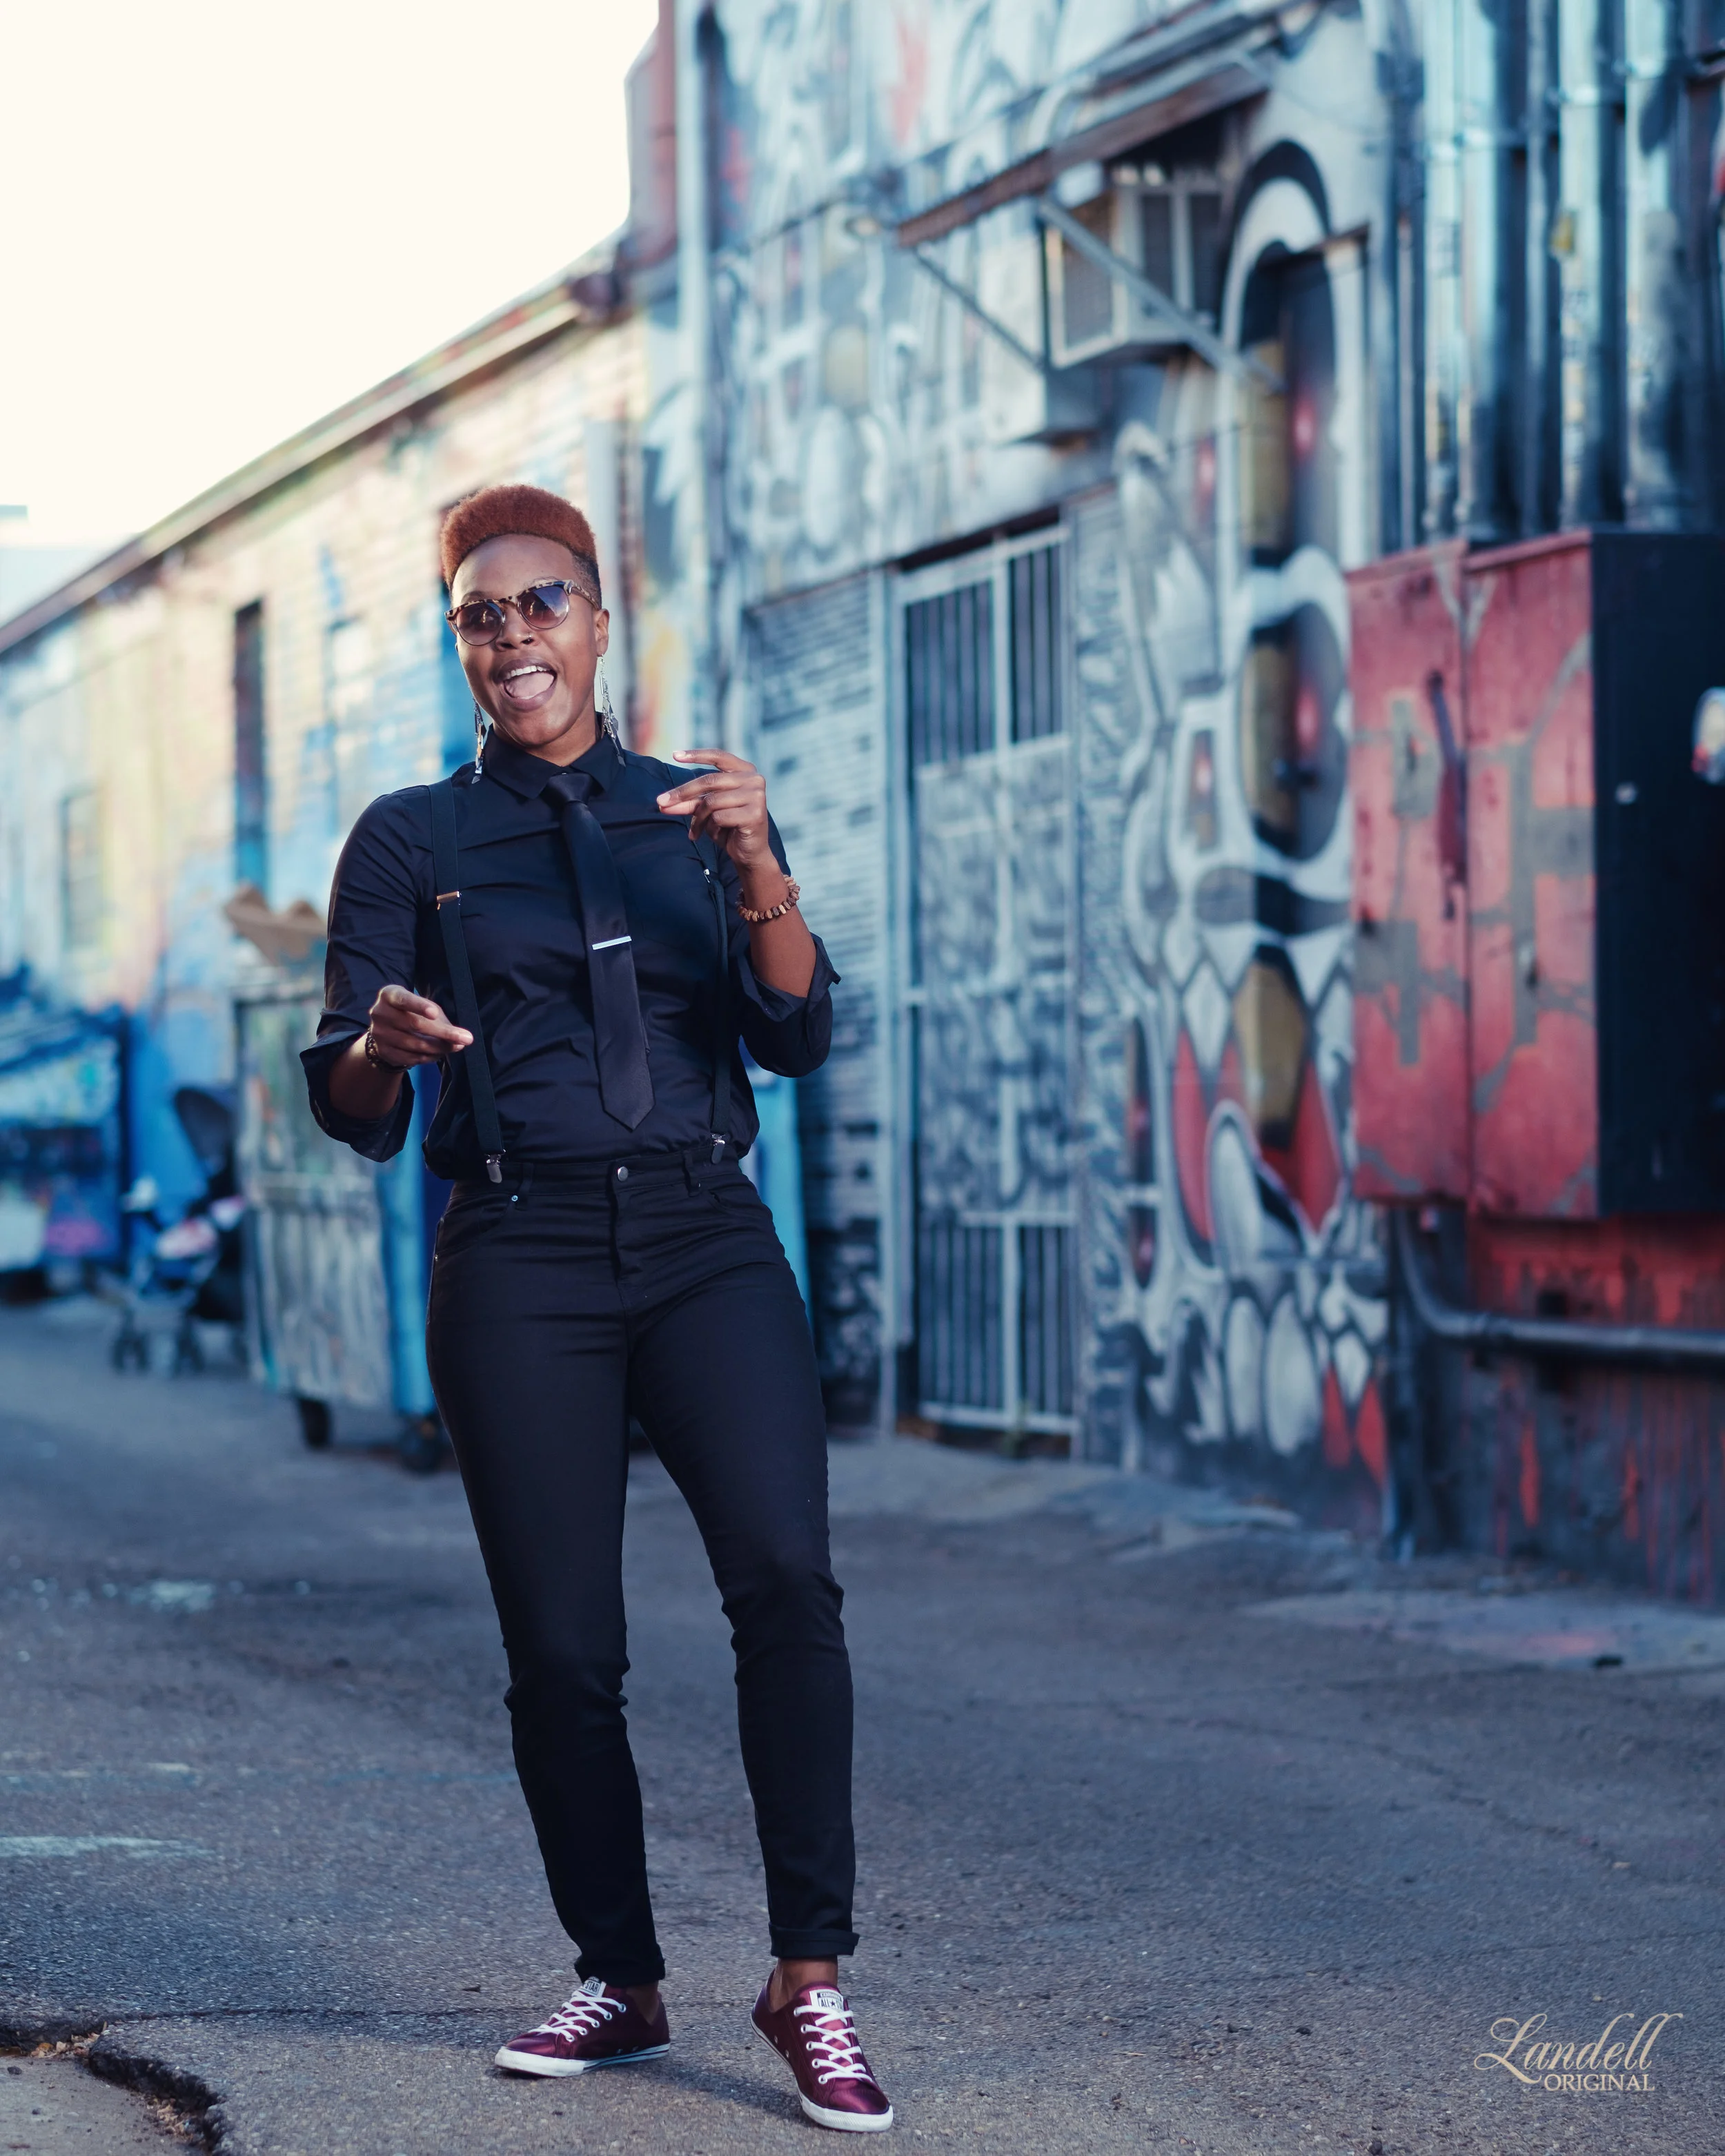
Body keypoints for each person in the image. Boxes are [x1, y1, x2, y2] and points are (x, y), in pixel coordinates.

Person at [301, 484, 892, 2133]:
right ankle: (618, 1975)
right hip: (519, 1249)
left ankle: (808, 1979)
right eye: (479, 615)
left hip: (704, 1234)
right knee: (563, 1647)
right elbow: (346, 1102)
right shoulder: (409, 840)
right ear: (460, 645)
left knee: (786, 1581)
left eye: (540, 603)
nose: (513, 636)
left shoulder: (696, 810)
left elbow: (793, 1031)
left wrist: (756, 858)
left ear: (598, 619)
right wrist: (385, 1045)